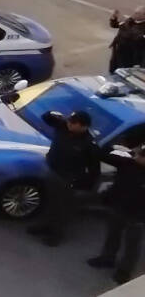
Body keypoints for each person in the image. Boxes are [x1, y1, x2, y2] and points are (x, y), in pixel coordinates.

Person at [28, 110, 100, 246]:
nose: (69, 124)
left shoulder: (89, 144)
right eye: (69, 121)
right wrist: (52, 113)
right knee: (48, 201)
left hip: (67, 179)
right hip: (51, 171)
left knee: (62, 208)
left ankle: (56, 235)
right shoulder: (63, 126)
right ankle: (43, 225)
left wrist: (85, 186)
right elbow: (46, 117)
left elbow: (94, 169)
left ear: (83, 126)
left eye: (73, 123)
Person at [87, 145, 145, 284]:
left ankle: (124, 271)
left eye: (141, 156)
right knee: (112, 235)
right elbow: (102, 155)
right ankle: (107, 258)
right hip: (118, 207)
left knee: (132, 245)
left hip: (139, 215)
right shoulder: (128, 163)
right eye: (139, 155)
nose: (138, 158)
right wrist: (115, 147)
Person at [108, 7, 145, 72]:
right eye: (135, 12)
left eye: (137, 13)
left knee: (123, 72)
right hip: (118, 52)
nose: (134, 14)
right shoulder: (131, 20)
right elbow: (115, 25)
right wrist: (114, 18)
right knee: (113, 69)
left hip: (129, 56)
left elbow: (133, 36)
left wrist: (122, 23)